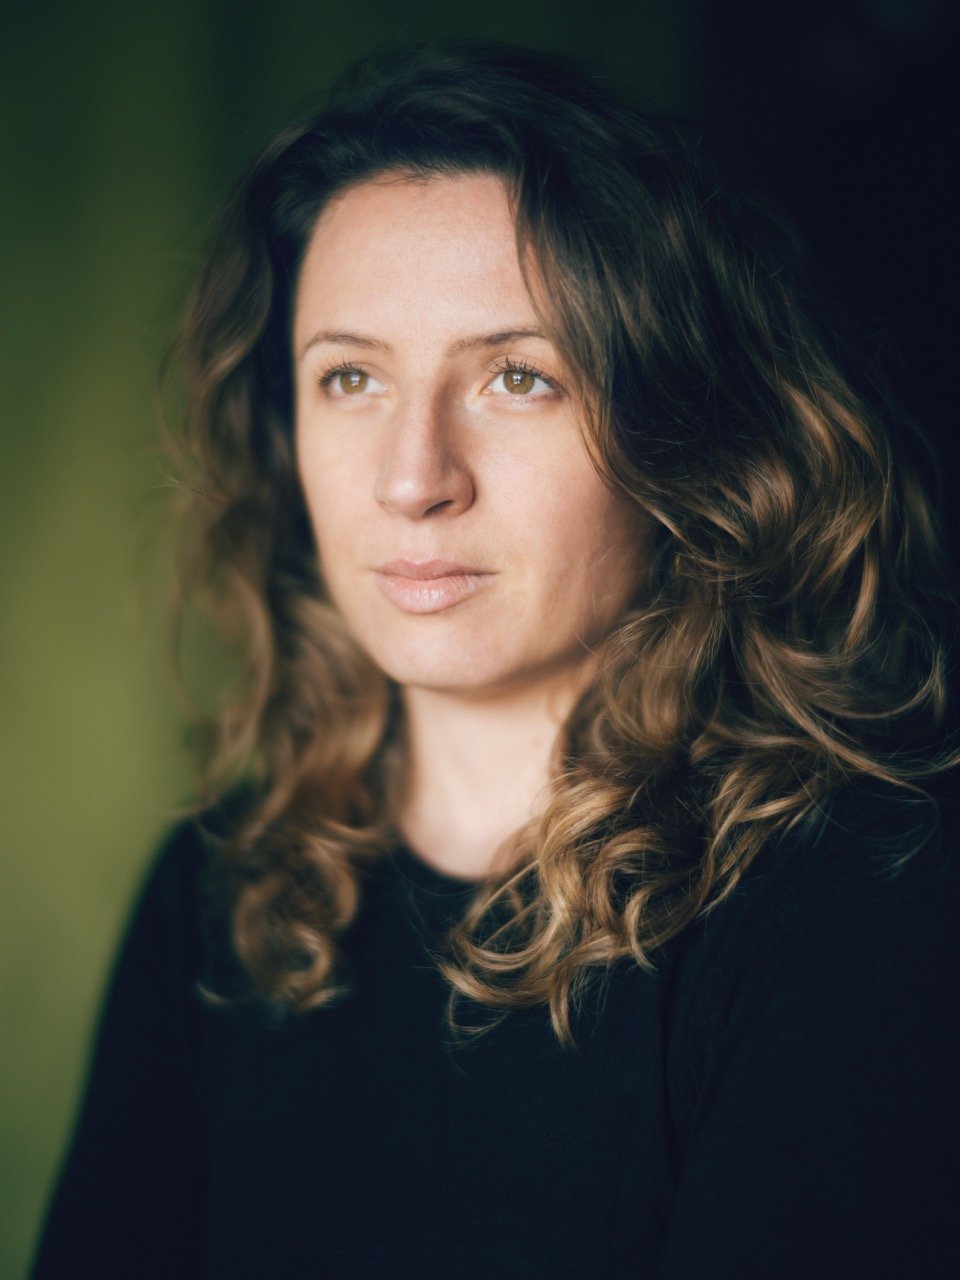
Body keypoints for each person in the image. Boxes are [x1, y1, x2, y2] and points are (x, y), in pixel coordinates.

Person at [32, 40, 960, 1280]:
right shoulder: (221, 891)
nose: (414, 477)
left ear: (679, 432)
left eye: (519, 377)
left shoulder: (851, 902)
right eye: (350, 376)